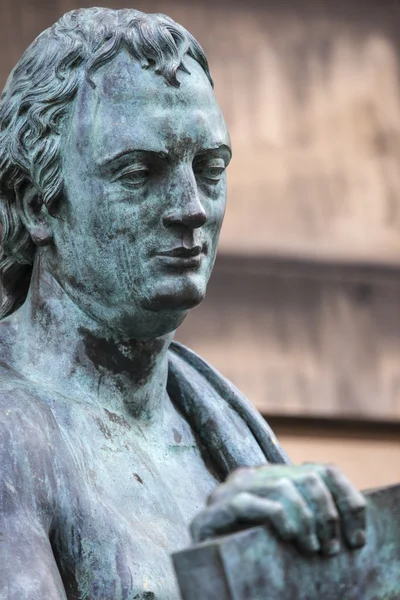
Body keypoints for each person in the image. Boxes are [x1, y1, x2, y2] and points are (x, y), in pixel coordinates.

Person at [0, 8, 366, 599]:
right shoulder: (11, 435)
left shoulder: (219, 416)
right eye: (139, 171)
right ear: (38, 204)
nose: (191, 207)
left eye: (210, 168)